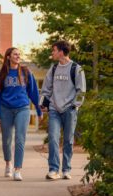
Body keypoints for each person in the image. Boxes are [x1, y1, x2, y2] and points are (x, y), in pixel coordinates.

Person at [0, 47, 42, 181]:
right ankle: (8, 163)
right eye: (15, 54)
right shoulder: (1, 74)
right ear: (8, 57)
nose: (18, 56)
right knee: (6, 139)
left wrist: (38, 109)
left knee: (20, 138)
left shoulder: (26, 72)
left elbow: (34, 93)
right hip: (5, 109)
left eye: (19, 54)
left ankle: (17, 169)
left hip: (22, 108)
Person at [40, 41, 86, 180]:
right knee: (53, 138)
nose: (52, 53)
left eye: (54, 50)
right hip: (54, 109)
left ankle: (66, 169)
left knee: (68, 140)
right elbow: (46, 89)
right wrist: (43, 104)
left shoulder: (76, 68)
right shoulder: (53, 69)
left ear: (61, 52)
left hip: (69, 110)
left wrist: (75, 105)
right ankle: (54, 169)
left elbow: (81, 90)